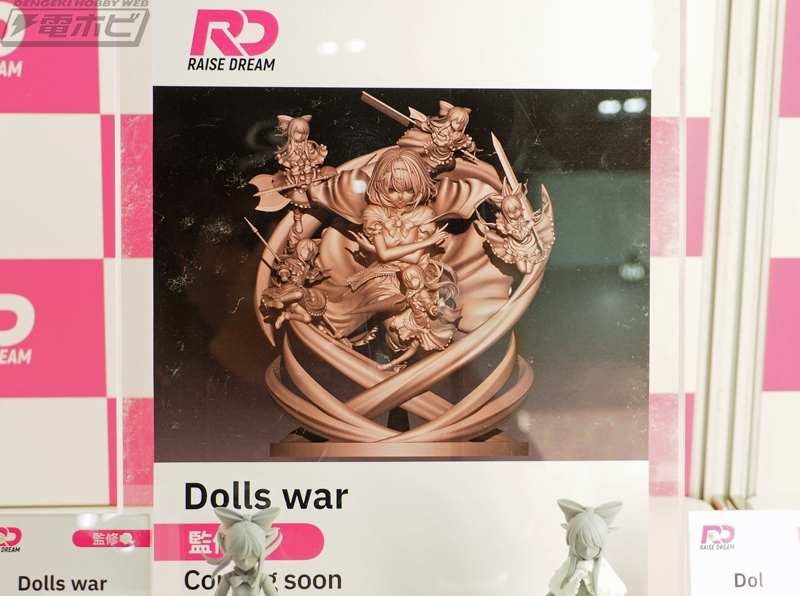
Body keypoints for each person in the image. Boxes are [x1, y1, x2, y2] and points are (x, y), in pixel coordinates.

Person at [547, 500, 626, 596]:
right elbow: (554, 591)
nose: (587, 551)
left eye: (593, 546)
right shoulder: (566, 570)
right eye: (580, 545)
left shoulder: (605, 572)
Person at [205, 507, 282, 596]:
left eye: (251, 556)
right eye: (239, 556)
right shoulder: (228, 578)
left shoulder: (263, 578)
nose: (245, 562)